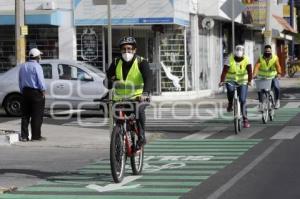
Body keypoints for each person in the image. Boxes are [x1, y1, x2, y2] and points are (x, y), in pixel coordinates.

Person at [106, 36, 153, 147]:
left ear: (134, 50)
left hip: (138, 98)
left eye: (129, 49)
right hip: (119, 99)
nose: (126, 52)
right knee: (117, 119)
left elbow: (149, 78)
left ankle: (141, 136)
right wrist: (109, 82)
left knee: (138, 110)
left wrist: (145, 93)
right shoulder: (116, 62)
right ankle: (118, 138)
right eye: (124, 49)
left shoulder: (142, 62)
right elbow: (108, 77)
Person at [219, 45, 252, 128]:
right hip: (231, 80)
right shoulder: (229, 59)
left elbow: (250, 72)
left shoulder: (247, 59)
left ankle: (245, 120)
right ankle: (230, 103)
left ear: (243, 53)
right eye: (237, 51)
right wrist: (222, 81)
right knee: (230, 90)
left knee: (242, 100)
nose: (238, 57)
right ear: (234, 52)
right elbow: (224, 71)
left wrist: (249, 81)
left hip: (243, 81)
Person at [19, 48, 46, 141]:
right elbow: (40, 80)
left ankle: (24, 136)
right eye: (40, 56)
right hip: (36, 93)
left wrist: (23, 91)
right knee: (37, 115)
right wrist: (43, 91)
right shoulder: (37, 66)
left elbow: (20, 80)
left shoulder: (23, 66)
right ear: (37, 57)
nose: (40, 57)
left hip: (25, 92)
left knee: (25, 115)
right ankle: (35, 136)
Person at [253, 45, 283, 109]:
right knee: (260, 89)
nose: (267, 52)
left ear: (271, 51)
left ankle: (277, 100)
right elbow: (256, 66)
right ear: (264, 51)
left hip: (272, 76)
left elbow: (278, 66)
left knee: (276, 87)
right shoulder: (260, 58)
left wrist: (279, 73)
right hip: (262, 76)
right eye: (266, 51)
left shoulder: (275, 58)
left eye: (269, 51)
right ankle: (261, 103)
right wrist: (254, 74)